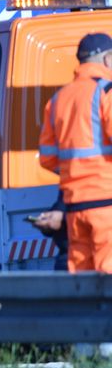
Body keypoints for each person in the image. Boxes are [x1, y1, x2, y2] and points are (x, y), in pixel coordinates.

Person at [39, 32, 112, 273]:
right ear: (107, 60)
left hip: (74, 208)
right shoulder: (106, 93)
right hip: (106, 205)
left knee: (82, 281)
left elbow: (48, 158)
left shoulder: (58, 99)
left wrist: (77, 173)